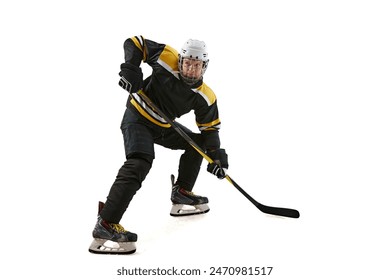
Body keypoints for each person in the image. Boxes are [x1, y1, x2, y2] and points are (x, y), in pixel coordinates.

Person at [88, 36, 229, 254]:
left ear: (205, 67)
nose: (190, 69)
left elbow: (209, 129)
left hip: (164, 126)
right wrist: (131, 69)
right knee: (140, 162)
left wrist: (217, 156)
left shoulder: (205, 96)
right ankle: (105, 224)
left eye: (197, 65)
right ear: (180, 60)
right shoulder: (166, 57)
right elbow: (134, 42)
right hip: (137, 118)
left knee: (199, 145)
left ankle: (182, 191)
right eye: (187, 63)